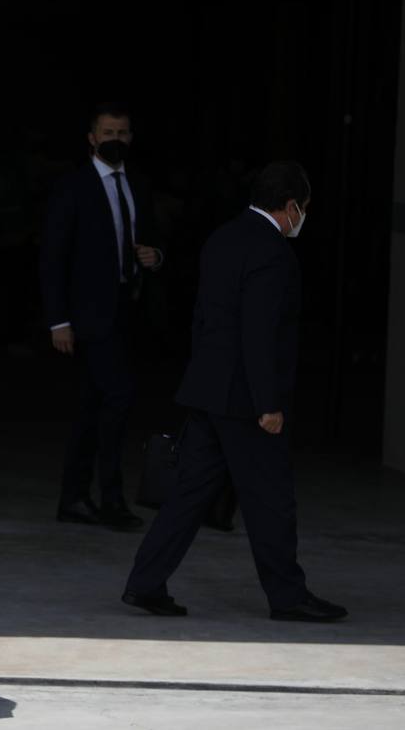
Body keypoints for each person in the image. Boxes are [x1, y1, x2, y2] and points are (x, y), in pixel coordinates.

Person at [122, 161, 347, 622]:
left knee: (187, 495)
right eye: (303, 209)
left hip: (209, 391)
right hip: (246, 401)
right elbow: (259, 334)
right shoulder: (273, 254)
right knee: (271, 499)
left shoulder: (223, 237)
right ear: (289, 207)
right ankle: (288, 596)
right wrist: (269, 403)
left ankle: (145, 582)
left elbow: (205, 318)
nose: (302, 217)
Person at [39, 103, 163, 530]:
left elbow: (152, 239)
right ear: (92, 137)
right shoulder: (73, 186)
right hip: (89, 316)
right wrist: (58, 320)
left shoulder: (139, 185)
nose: (116, 139)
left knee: (94, 407)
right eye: (108, 131)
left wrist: (155, 256)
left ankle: (73, 497)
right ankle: (110, 498)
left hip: (127, 312)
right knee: (117, 399)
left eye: (123, 132)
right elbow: (54, 257)